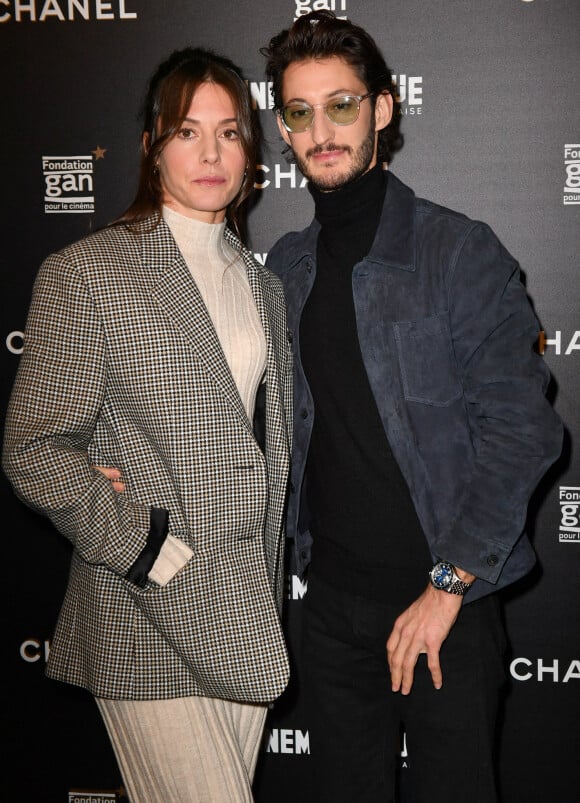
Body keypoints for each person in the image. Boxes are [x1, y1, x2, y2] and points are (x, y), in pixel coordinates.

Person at [261, 11, 563, 803]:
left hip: (446, 611)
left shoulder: (459, 252)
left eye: (342, 105)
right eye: (300, 111)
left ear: (383, 110)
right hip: (330, 614)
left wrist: (445, 584)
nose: (321, 130)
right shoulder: (287, 265)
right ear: (284, 127)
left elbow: (524, 429)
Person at [3, 47, 293, 803]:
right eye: (186, 131)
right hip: (145, 608)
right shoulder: (87, 273)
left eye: (229, 133)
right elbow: (33, 448)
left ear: (250, 153)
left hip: (243, 606)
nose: (209, 152)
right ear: (151, 146)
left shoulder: (265, 287)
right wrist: (144, 549)